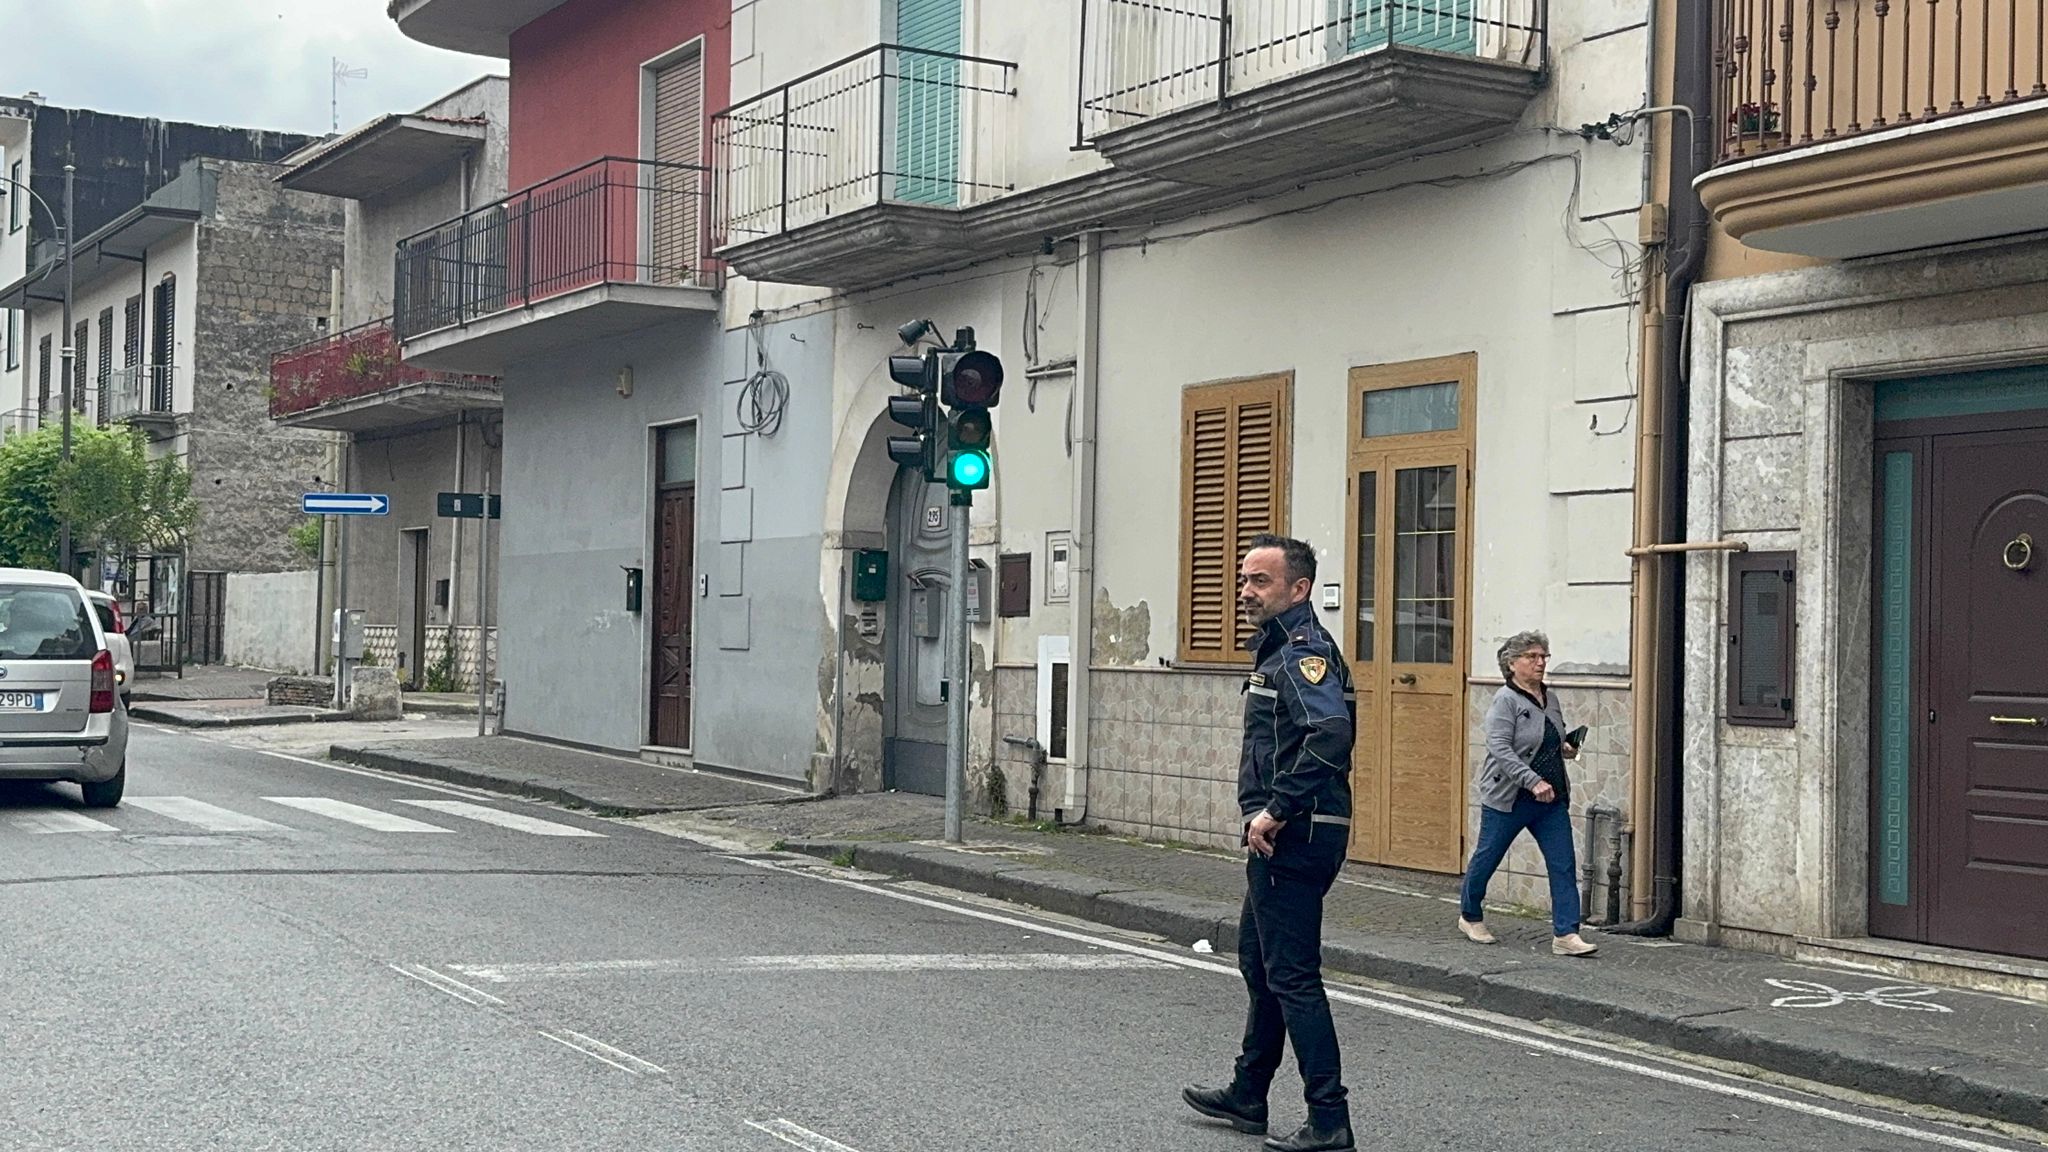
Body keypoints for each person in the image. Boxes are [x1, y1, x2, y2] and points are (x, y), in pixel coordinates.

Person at [1184, 533, 1357, 1152]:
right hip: (1286, 835)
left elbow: (1330, 733)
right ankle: (1249, 1092)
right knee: (1260, 965)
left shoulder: (1302, 654)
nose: (1245, 592)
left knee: (1292, 976)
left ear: (1299, 589)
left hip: (1297, 835)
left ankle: (1330, 1121)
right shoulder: (1278, 652)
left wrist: (1276, 808)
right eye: (1243, 580)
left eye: (1260, 581)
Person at [1457, 630, 1598, 957]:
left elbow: (1547, 739)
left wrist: (1564, 747)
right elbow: (1501, 749)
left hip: (1550, 800)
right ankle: (1470, 915)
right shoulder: (1505, 701)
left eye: (1544, 656)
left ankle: (1566, 934)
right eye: (1532, 657)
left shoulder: (1551, 699)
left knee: (1563, 863)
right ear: (1512, 663)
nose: (1540, 663)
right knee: (1487, 857)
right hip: (1510, 797)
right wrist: (1532, 780)